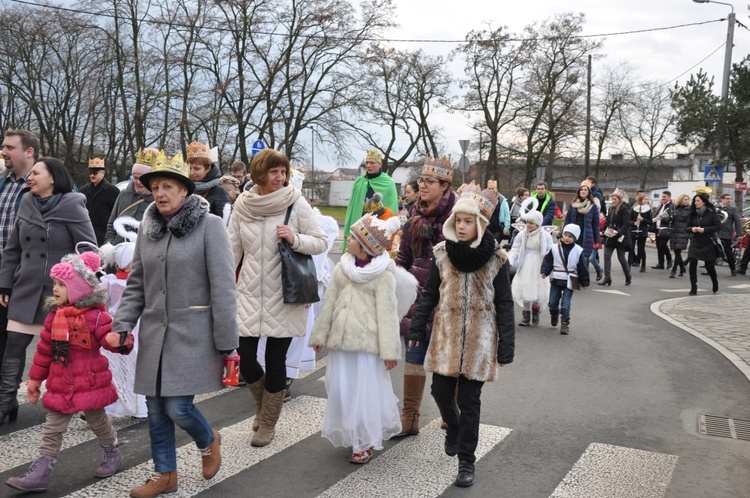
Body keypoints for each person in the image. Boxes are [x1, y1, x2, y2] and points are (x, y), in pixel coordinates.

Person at [112, 150, 239, 498]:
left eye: (168, 186)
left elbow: (224, 286)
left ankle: (208, 439)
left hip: (193, 333)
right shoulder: (148, 229)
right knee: (155, 409)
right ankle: (165, 474)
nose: (160, 194)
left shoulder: (210, 225)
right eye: (155, 187)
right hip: (155, 332)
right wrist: (122, 325)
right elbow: (137, 283)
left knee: (177, 407)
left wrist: (228, 342)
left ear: (186, 191)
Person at [407, 183, 515, 488]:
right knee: (440, 392)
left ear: (480, 224)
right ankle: (452, 425)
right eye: (459, 221)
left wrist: (506, 345)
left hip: (481, 340)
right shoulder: (442, 254)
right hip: (446, 336)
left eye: (469, 221)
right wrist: (417, 328)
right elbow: (428, 294)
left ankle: (467, 462)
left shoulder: (496, 258)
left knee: (470, 401)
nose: (463, 226)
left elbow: (504, 304)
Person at [5, 252, 130, 493]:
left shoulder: (96, 316)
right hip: (61, 381)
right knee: (53, 427)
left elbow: (110, 339)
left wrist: (120, 340)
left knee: (98, 422)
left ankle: (112, 451)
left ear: (78, 288)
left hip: (90, 380)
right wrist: (34, 380)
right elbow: (44, 350)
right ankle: (40, 472)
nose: (55, 289)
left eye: (62, 284)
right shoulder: (55, 316)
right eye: (54, 284)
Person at [227, 148, 327, 447]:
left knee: (275, 359)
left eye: (283, 172)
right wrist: (218, 286)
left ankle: (268, 423)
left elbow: (321, 241)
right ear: (259, 174)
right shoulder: (243, 206)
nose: (280, 177)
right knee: (244, 356)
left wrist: (295, 238)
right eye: (274, 172)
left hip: (285, 293)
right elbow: (230, 251)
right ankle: (262, 409)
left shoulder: (294, 202)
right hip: (248, 293)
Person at [0, 157, 96, 425]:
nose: (29, 178)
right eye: (29, 174)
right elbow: (12, 250)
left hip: (59, 293)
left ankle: (70, 400)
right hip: (25, 287)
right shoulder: (27, 203)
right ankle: (6, 401)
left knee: (61, 352)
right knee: (14, 346)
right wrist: (5, 283)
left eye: (36, 174)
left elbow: (88, 249)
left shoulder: (73, 205)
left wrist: (78, 287)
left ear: (52, 178)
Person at [310, 214, 403, 464]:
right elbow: (329, 302)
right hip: (342, 343)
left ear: (365, 246)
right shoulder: (343, 267)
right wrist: (320, 334)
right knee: (344, 390)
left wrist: (390, 351)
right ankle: (352, 431)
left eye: (352, 237)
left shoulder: (382, 275)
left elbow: (387, 314)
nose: (347, 240)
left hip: (366, 347)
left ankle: (363, 440)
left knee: (365, 391)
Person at [394, 156, 457, 437]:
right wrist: (398, 284)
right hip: (417, 297)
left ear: (445, 186)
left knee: (446, 359)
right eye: (422, 181)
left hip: (446, 296)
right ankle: (410, 417)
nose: (423, 186)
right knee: (414, 354)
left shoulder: (458, 216)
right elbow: (404, 257)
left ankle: (449, 411)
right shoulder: (414, 214)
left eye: (429, 182)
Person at [99, 217, 147, 418]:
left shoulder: (140, 281)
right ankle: (112, 403)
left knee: (136, 366)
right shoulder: (110, 280)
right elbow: (101, 299)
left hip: (137, 328)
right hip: (115, 329)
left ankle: (139, 405)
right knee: (113, 367)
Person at [0, 130, 38, 374]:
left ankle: (6, 401)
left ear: (29, 151)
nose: (3, 152)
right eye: (3, 147)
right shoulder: (2, 183)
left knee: (13, 341)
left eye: (9, 147)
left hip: (22, 275)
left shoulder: (46, 185)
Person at [342, 150, 398, 250]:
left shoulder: (389, 182)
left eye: (372, 163)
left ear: (380, 164)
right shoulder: (359, 181)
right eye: (367, 163)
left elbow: (391, 205)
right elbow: (353, 205)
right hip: (360, 222)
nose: (369, 165)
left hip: (377, 225)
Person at [541, 224, 590, 335]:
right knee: (553, 302)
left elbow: (582, 267)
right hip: (556, 278)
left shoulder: (578, 250)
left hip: (571, 279)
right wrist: (545, 271)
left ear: (575, 238)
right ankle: (554, 313)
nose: (567, 238)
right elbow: (548, 261)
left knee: (565, 304)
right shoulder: (554, 248)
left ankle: (565, 323)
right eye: (565, 235)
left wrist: (584, 281)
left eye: (570, 236)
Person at [507, 210, 553, 326]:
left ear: (538, 224)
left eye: (531, 223)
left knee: (537, 287)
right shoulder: (522, 235)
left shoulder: (545, 235)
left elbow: (550, 251)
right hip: (526, 264)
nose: (528, 225)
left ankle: (536, 312)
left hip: (539, 264)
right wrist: (510, 261)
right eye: (527, 222)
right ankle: (526, 315)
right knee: (525, 287)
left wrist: (549, 265)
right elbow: (515, 249)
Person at [105, 149, 157, 245]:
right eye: (136, 178)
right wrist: (110, 247)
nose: (138, 182)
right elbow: (111, 225)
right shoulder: (123, 194)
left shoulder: (158, 200)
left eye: (143, 178)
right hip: (118, 252)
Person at [686, 193, 722, 295]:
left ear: (704, 202)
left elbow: (718, 226)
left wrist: (704, 230)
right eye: (695, 201)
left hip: (708, 241)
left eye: (698, 201)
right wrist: (692, 229)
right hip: (696, 241)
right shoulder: (692, 213)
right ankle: (694, 287)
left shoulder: (711, 212)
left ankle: (714, 282)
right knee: (692, 262)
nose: (696, 203)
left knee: (709, 266)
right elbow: (686, 227)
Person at [564, 183, 602, 280]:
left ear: (589, 192)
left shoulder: (592, 206)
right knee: (572, 256)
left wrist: (597, 238)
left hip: (586, 235)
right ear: (579, 192)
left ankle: (583, 279)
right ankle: (573, 277)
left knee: (584, 257)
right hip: (574, 234)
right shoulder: (573, 205)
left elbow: (595, 223)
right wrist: (563, 233)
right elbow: (567, 220)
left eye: (585, 190)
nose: (583, 191)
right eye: (582, 190)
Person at [186, 141, 232, 220]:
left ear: (208, 169)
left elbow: (224, 223)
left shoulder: (220, 192)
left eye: (196, 169)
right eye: (189, 168)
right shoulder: (184, 189)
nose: (191, 173)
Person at [80, 158, 120, 245]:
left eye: (94, 173)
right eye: (90, 173)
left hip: (104, 237)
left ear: (103, 173)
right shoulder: (83, 191)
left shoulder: (113, 191)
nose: (92, 176)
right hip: (85, 235)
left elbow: (117, 214)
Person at [599, 188, 632, 286]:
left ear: (620, 199)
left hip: (620, 237)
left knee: (621, 257)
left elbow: (626, 225)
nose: (613, 201)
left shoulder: (624, 209)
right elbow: (609, 221)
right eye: (612, 199)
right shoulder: (611, 208)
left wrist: (618, 233)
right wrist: (604, 229)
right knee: (606, 256)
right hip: (610, 235)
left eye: (615, 199)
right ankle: (607, 277)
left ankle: (627, 275)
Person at [717, 193, 743, 276]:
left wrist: (739, 234)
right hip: (715, 232)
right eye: (727, 198)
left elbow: (737, 222)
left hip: (726, 233)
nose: (729, 200)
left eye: (730, 199)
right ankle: (710, 268)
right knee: (712, 251)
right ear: (722, 199)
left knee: (728, 252)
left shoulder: (733, 209)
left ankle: (733, 268)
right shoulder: (716, 208)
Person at [628, 192, 652, 273]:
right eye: (645, 199)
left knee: (641, 248)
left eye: (647, 199)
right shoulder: (634, 208)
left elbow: (650, 221)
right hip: (634, 230)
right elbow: (629, 220)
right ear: (640, 200)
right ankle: (628, 265)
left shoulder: (648, 209)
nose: (646, 201)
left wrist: (643, 219)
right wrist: (634, 223)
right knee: (631, 248)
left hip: (643, 230)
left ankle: (643, 265)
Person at [669, 194, 691, 278]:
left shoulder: (689, 210)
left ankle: (674, 270)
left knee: (678, 251)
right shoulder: (675, 208)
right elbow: (672, 220)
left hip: (683, 232)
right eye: (685, 199)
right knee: (676, 251)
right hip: (674, 231)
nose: (686, 201)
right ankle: (682, 268)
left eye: (687, 200)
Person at [651, 191, 673, 270]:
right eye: (662, 197)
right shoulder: (660, 205)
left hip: (665, 229)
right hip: (658, 228)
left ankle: (669, 259)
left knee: (663, 245)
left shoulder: (671, 206)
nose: (663, 198)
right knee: (658, 247)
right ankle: (660, 263)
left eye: (665, 197)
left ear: (669, 198)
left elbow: (670, 218)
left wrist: (662, 218)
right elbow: (655, 215)